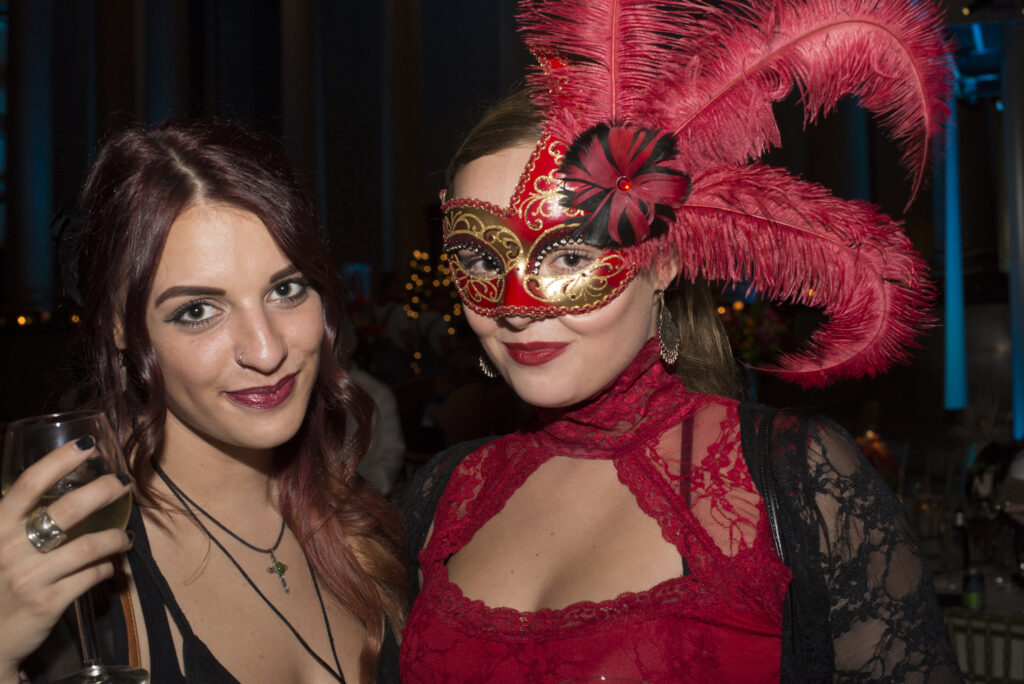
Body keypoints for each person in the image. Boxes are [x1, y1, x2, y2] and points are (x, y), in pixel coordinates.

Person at [391, 0, 962, 681]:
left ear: (661, 259)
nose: (516, 307)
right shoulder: (442, 494)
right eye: (482, 260)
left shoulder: (798, 482)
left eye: (570, 256)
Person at [1, 119, 405, 684]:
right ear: (121, 328)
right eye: (198, 311)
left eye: (285, 289)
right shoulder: (83, 583)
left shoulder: (371, 522)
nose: (266, 351)